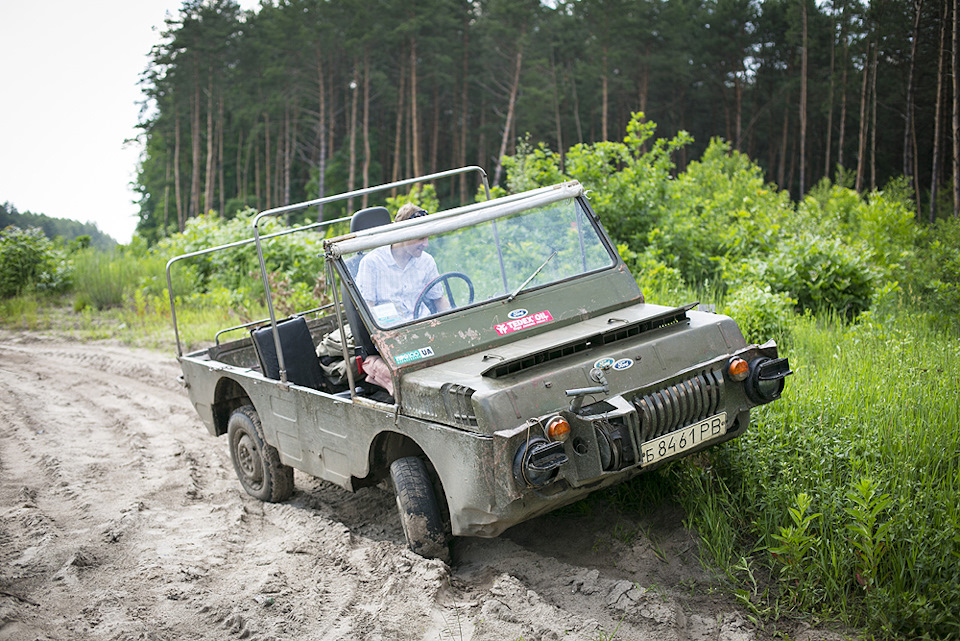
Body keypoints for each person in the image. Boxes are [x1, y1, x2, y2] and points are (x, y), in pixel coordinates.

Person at [353, 202, 450, 327]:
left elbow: (439, 299)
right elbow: (367, 310)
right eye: (421, 238)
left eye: (428, 238)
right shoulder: (372, 263)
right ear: (402, 234)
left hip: (425, 326)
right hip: (392, 334)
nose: (426, 244)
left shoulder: (427, 261)